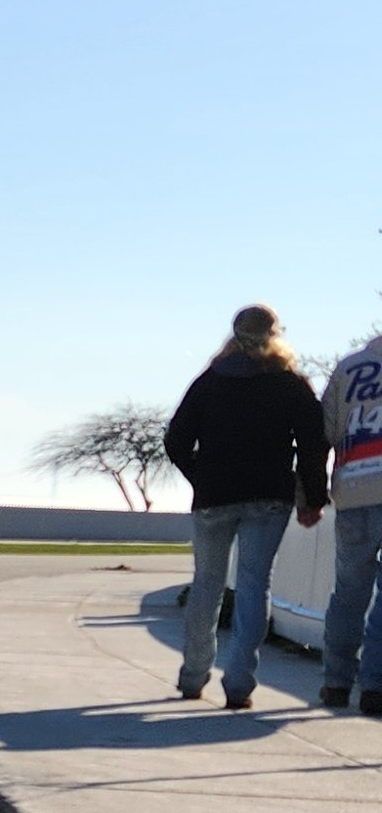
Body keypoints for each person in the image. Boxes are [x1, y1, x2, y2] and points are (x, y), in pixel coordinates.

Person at [164, 304, 326, 710]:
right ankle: (238, 686)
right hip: (268, 497)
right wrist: (314, 498)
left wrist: (201, 477)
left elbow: (176, 439)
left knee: (207, 585)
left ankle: (192, 676)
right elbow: (313, 443)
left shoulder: (209, 381)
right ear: (276, 335)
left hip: (214, 498)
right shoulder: (291, 384)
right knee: (254, 586)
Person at [318, 320, 382, 713]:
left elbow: (325, 430)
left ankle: (336, 682)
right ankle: (375, 686)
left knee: (349, 592)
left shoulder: (350, 368)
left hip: (355, 490)